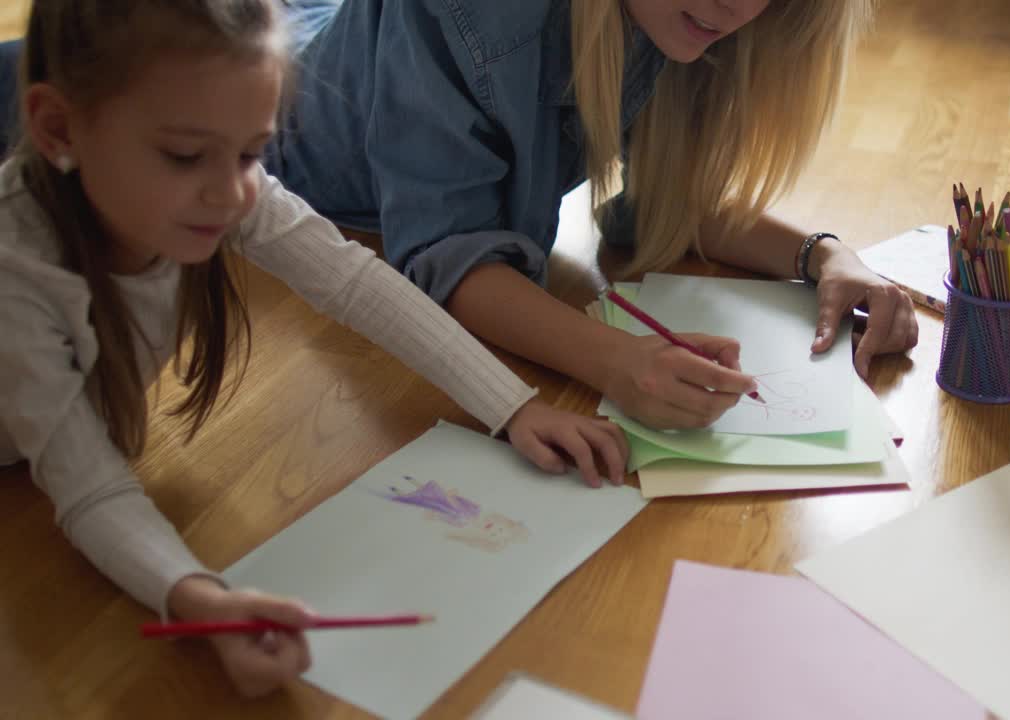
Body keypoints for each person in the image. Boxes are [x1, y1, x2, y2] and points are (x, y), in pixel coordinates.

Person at [0, 0, 628, 697]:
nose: (232, 190)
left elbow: (354, 282)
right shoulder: (16, 277)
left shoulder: (218, 186)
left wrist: (514, 406)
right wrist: (199, 597)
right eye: (183, 155)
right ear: (58, 128)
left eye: (250, 151)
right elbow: (88, 487)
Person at [260, 0, 920, 430]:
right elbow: (447, 258)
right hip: (288, 149)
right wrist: (617, 362)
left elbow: (667, 200)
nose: (738, 6)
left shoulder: (682, 18)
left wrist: (826, 256)